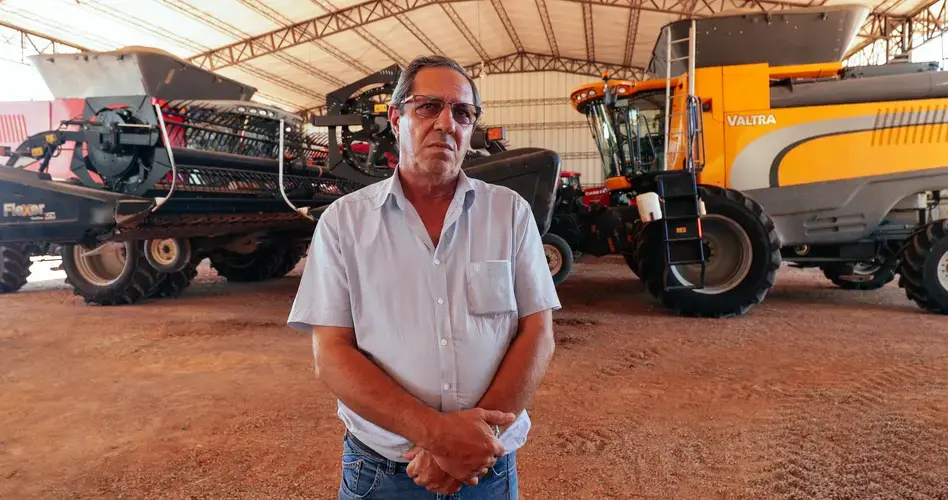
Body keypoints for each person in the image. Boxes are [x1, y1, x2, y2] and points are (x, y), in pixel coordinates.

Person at [287, 54, 561, 499]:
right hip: (384, 474)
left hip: (485, 470)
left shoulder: (509, 214)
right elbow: (332, 353)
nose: (446, 123)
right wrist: (438, 437)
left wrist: (472, 447)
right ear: (397, 118)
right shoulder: (345, 224)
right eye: (428, 106)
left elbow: (538, 332)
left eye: (462, 112)